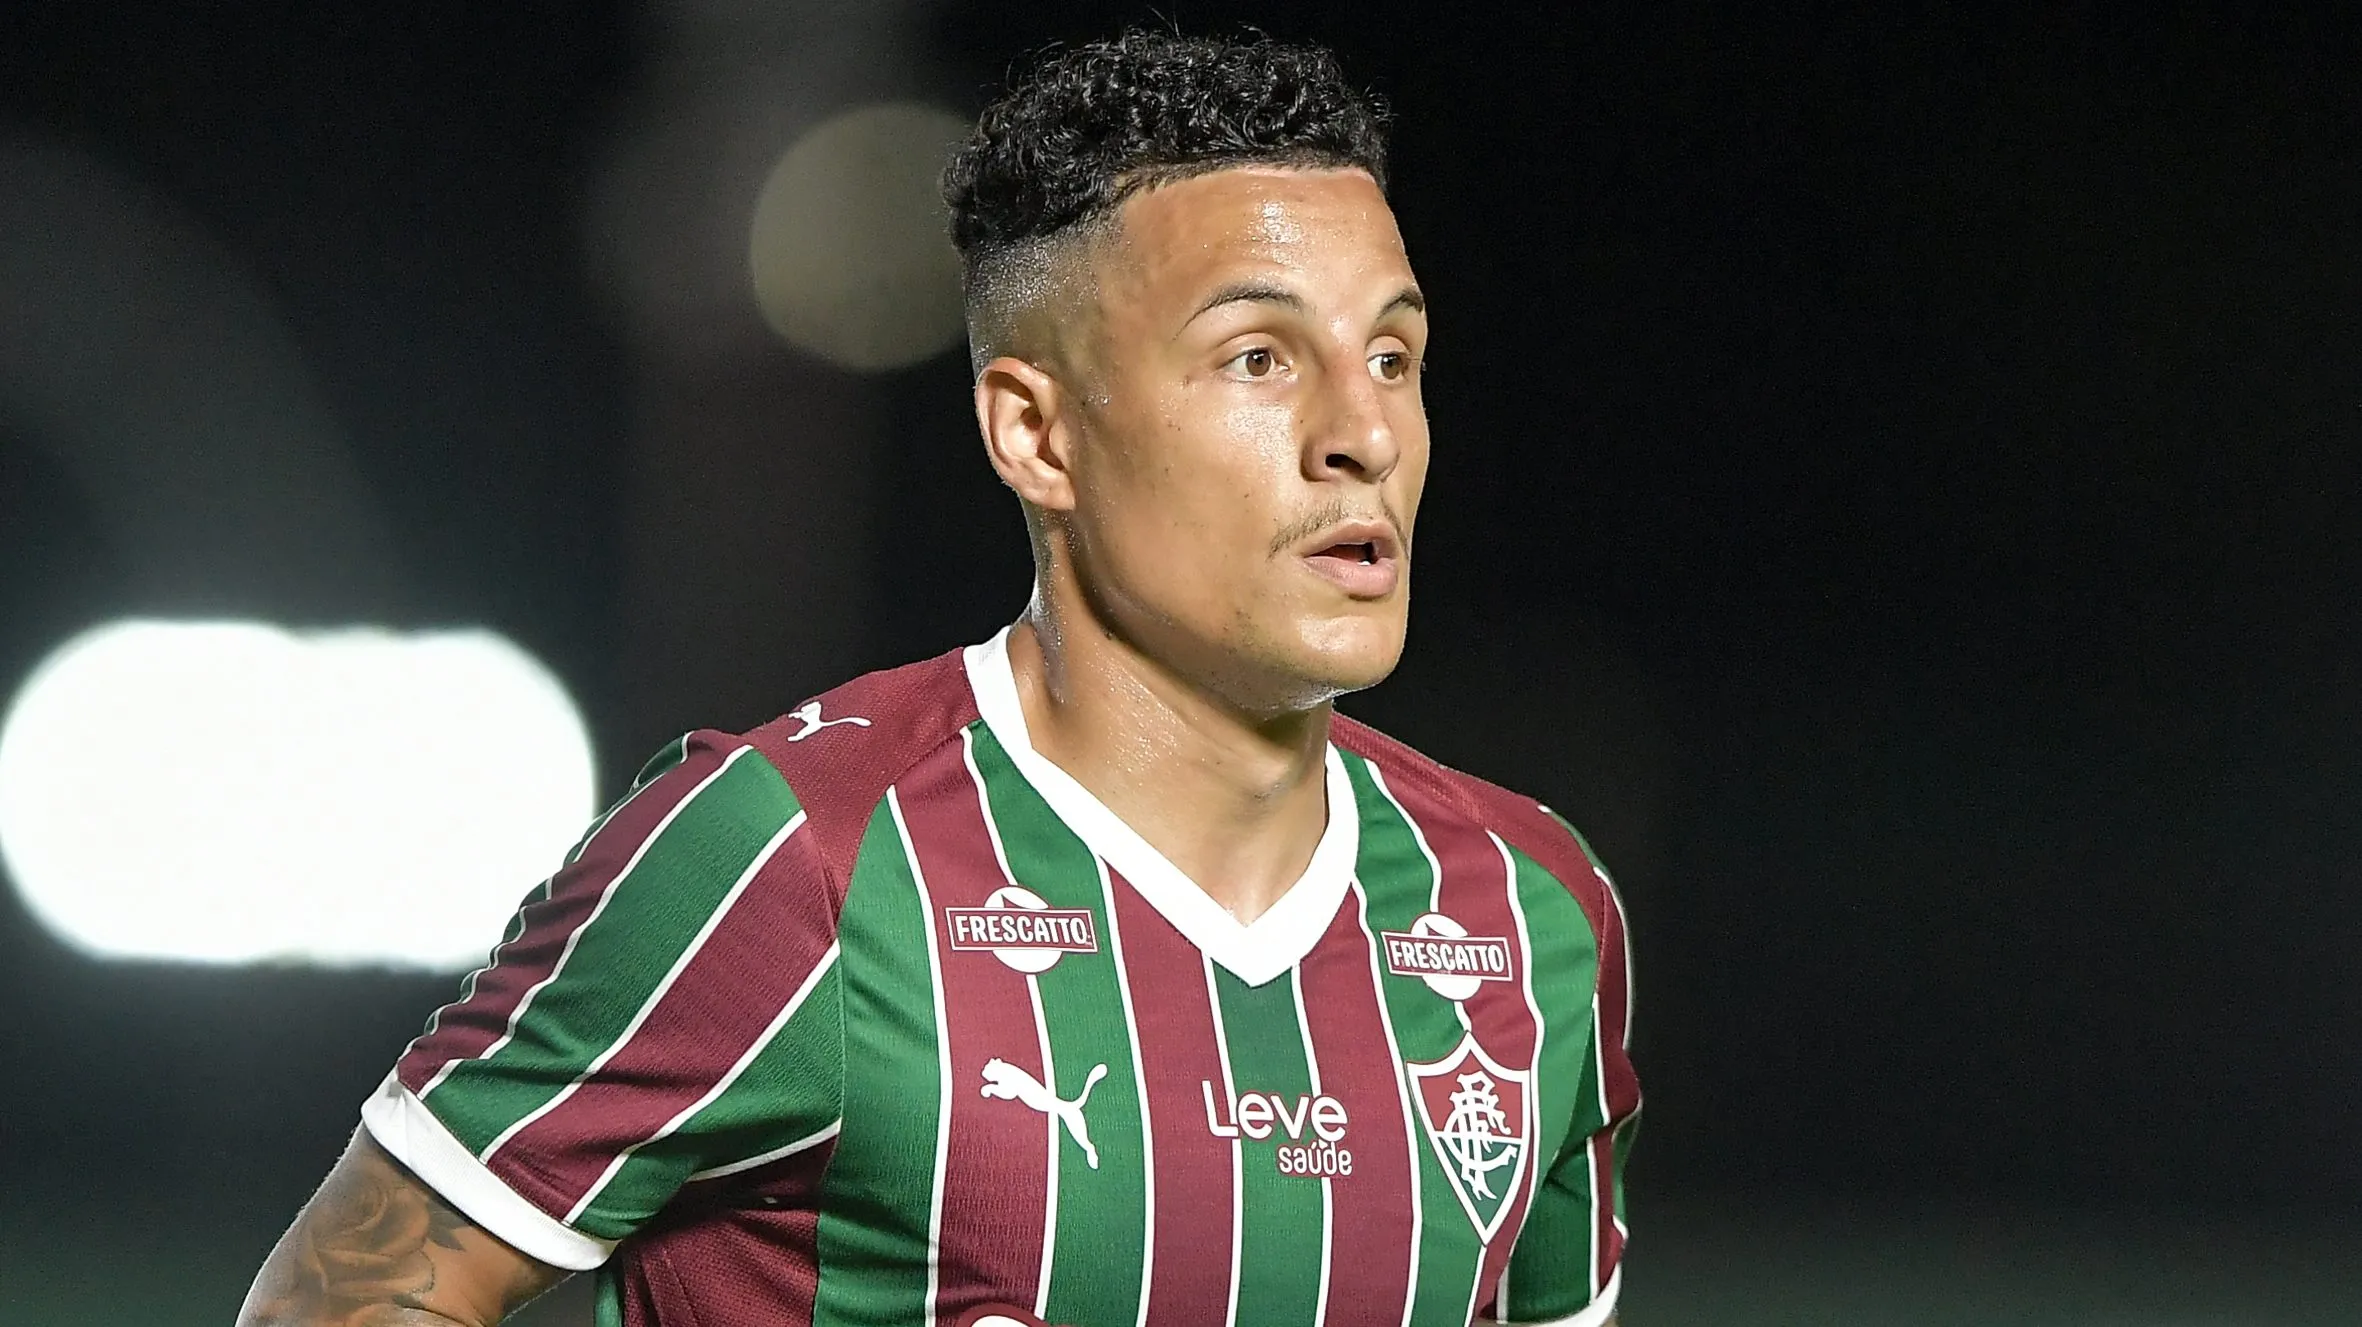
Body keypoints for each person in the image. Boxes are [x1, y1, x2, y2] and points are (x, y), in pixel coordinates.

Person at [238, 27, 1639, 1327]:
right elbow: (337, 1295)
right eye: (1259, 356)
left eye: (1393, 355)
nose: (1363, 434)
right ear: (1036, 433)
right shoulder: (790, 858)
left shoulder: (1528, 910)